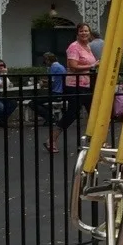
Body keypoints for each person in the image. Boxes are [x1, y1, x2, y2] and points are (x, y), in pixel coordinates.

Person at [45, 23, 97, 153]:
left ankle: (94, 142)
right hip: (74, 85)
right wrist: (93, 66)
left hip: (85, 84)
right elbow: (73, 66)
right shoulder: (74, 47)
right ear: (77, 33)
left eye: (86, 31)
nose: (84, 33)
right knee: (72, 113)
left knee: (93, 111)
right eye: (81, 31)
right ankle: (51, 139)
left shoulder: (88, 47)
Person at [31, 52, 66, 127]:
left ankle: (50, 118)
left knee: (32, 102)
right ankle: (51, 116)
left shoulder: (53, 67)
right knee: (41, 100)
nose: (45, 63)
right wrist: (45, 81)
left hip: (56, 93)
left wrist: (42, 84)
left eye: (45, 61)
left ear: (47, 60)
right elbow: (56, 79)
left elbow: (51, 82)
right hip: (62, 93)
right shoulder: (61, 66)